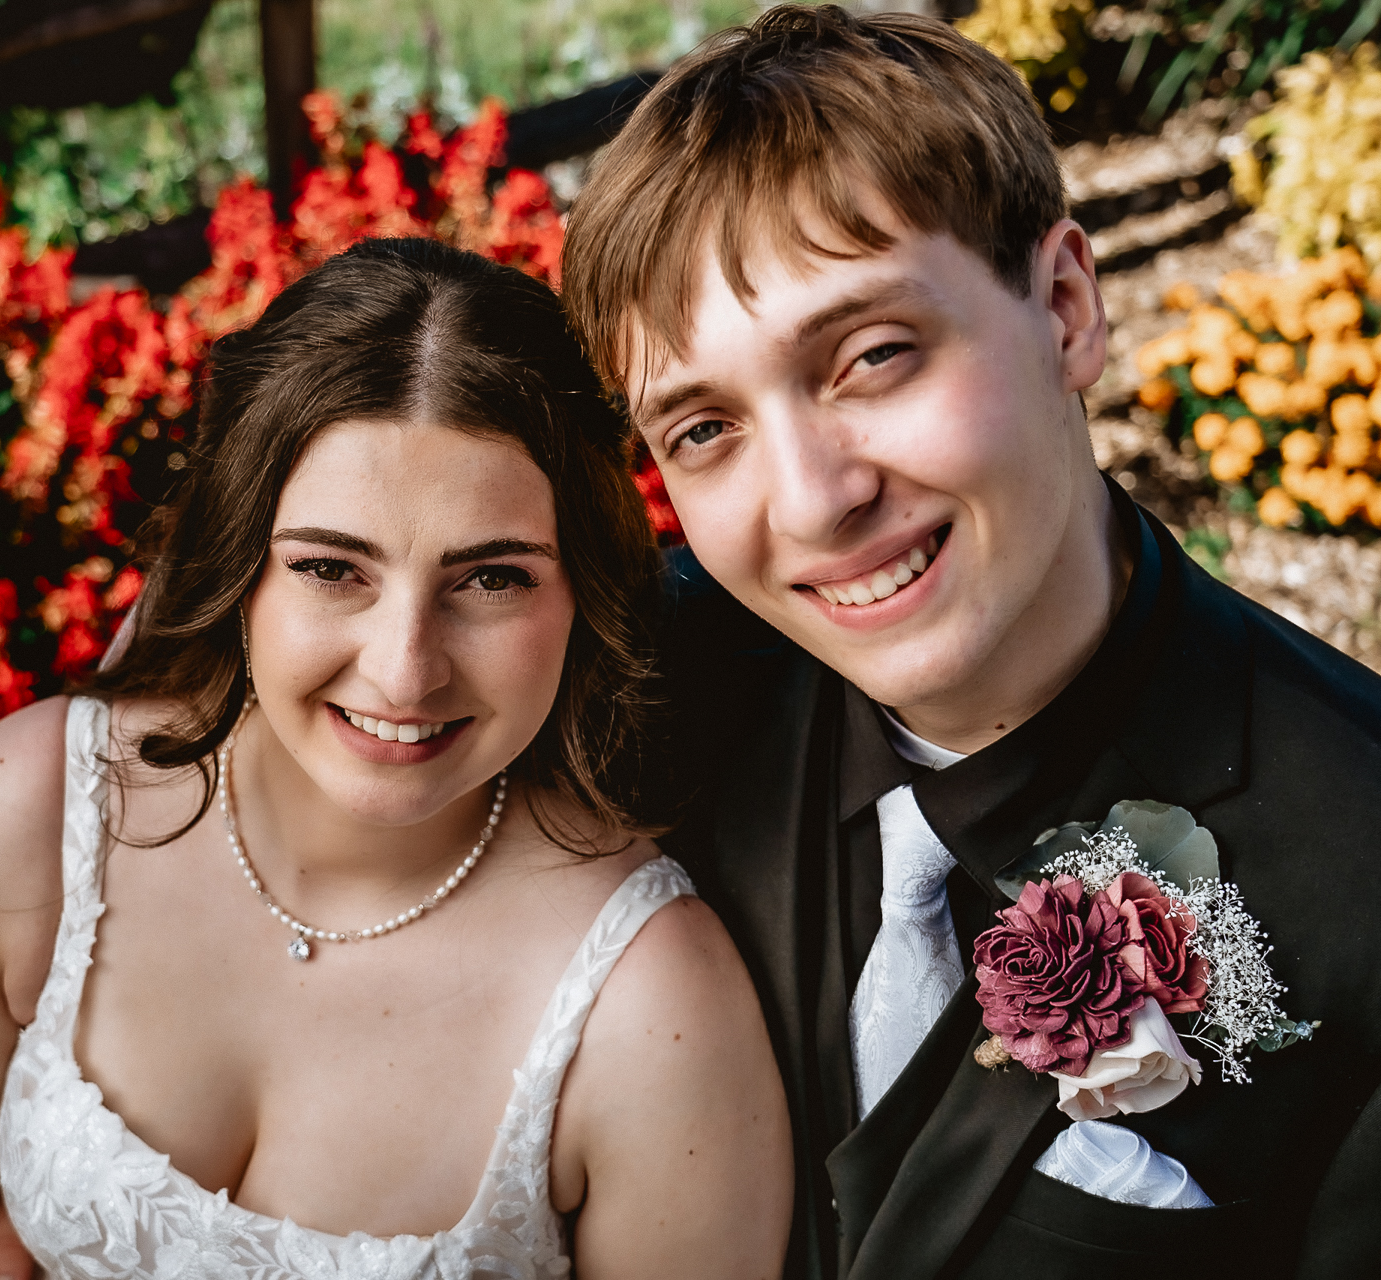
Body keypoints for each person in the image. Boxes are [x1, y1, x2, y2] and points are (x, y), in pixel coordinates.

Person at [559, 7, 1381, 1277]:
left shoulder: (1362, 862)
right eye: (705, 428)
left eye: (874, 356)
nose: (813, 498)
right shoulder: (644, 693)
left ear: (1063, 309)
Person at [0, 237, 794, 1279]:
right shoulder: (30, 816)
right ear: (241, 563)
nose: (403, 670)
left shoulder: (652, 1009)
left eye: (491, 580)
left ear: (584, 594)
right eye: (332, 567)